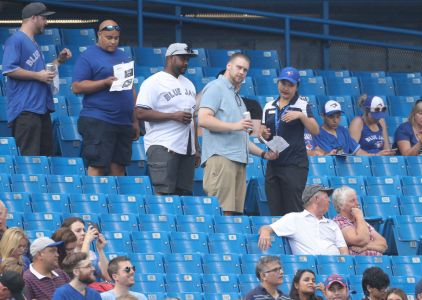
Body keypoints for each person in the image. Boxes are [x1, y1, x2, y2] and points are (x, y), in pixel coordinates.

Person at [198, 53, 277, 215]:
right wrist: (235, 125)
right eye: (238, 67)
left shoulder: (237, 98)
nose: (241, 72)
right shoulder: (215, 87)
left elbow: (242, 137)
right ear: (228, 66)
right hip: (221, 158)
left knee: (234, 216)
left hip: (238, 160)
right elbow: (204, 119)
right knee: (222, 214)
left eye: (245, 70)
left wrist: (263, 154)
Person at [1, 2, 72, 156]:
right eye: (44, 18)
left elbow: (41, 72)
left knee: (45, 159)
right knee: (30, 160)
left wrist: (58, 61)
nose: (46, 22)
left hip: (40, 109)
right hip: (25, 110)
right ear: (33, 18)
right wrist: (38, 76)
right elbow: (9, 69)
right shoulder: (15, 40)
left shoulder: (34, 43)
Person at [72, 19, 140, 176]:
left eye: (116, 38)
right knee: (98, 165)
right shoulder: (88, 56)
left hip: (123, 121)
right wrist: (104, 83)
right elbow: (76, 87)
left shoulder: (123, 56)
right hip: (99, 119)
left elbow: (131, 87)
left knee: (119, 168)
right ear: (99, 35)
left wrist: (135, 120)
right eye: (109, 37)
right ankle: (93, 200)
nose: (113, 41)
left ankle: (117, 200)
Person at [135, 43, 199, 196]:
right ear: (170, 58)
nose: (186, 63)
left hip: (187, 148)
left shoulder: (189, 84)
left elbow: (193, 119)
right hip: (163, 146)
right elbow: (140, 113)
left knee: (184, 195)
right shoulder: (153, 82)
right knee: (164, 194)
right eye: (182, 58)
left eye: (188, 59)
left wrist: (196, 147)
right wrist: (172, 116)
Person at [260, 67, 320, 215]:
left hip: (295, 164)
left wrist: (300, 116)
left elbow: (315, 130)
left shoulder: (302, 105)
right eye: (283, 83)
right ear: (278, 83)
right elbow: (262, 134)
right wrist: (263, 134)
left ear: (297, 86)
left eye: (290, 85)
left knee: (293, 209)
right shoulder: (268, 106)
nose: (285, 88)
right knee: (275, 209)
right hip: (274, 164)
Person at [258, 185, 349, 255]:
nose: (329, 201)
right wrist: (265, 232)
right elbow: (267, 228)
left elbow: (343, 251)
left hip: (336, 271)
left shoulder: (332, 224)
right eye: (326, 197)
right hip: (308, 271)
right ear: (316, 199)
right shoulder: (294, 218)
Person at [313, 100, 388, 156]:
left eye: (338, 117)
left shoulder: (343, 130)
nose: (335, 120)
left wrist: (376, 155)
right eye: (331, 117)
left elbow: (357, 151)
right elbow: (319, 153)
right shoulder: (317, 132)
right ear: (323, 116)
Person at [332, 186, 387, 256]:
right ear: (340, 205)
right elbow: (361, 240)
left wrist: (366, 247)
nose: (357, 203)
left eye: (356, 200)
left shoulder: (359, 221)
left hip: (377, 262)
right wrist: (359, 216)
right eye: (352, 201)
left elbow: (383, 244)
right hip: (359, 264)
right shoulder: (338, 222)